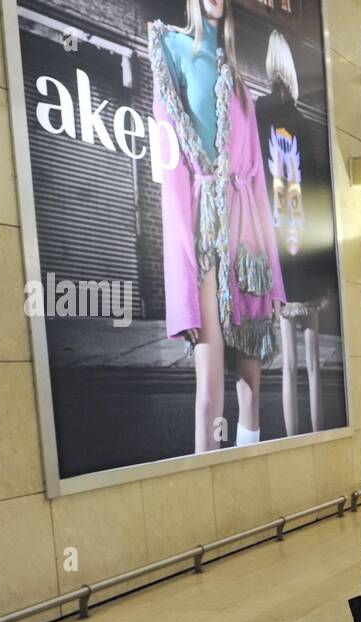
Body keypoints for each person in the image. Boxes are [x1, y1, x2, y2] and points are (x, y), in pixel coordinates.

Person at [150, 0, 285, 453]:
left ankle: (251, 491)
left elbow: (260, 185)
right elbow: (172, 179)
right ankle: (205, 499)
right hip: (204, 229)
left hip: (246, 239)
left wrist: (276, 283)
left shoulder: (239, 77)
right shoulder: (171, 48)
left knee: (251, 385)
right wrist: (182, 294)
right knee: (208, 392)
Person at [256, 30, 322, 436]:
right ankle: (313, 436)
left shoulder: (258, 117)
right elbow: (315, 193)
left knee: (288, 367)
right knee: (311, 366)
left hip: (280, 255)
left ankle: (296, 438)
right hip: (307, 257)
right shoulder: (305, 125)